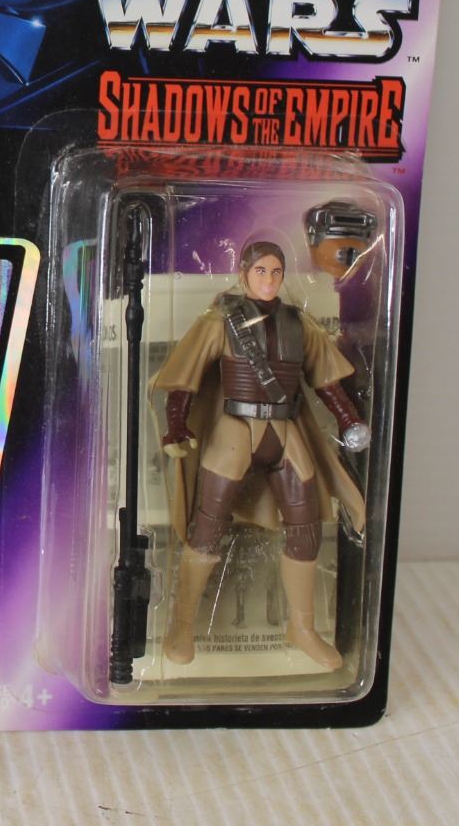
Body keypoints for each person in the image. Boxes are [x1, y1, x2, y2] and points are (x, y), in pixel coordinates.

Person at [150, 240, 370, 670]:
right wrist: (176, 424)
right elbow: (186, 377)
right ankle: (182, 624)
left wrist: (348, 419)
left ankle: (302, 627)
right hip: (236, 427)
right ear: (244, 273)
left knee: (306, 526)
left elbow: (326, 382)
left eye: (276, 272)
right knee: (207, 526)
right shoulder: (221, 320)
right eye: (261, 271)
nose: (269, 279)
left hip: (284, 428)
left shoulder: (297, 323)